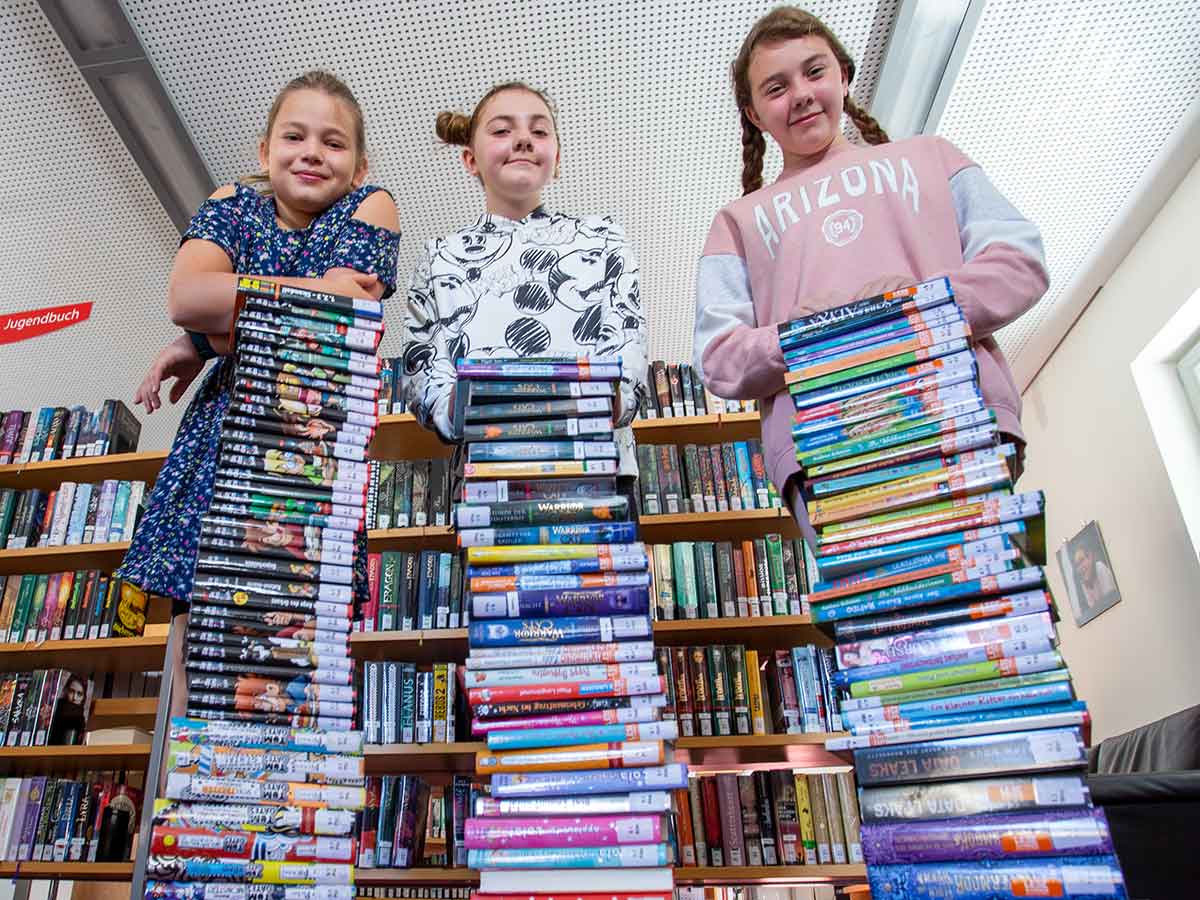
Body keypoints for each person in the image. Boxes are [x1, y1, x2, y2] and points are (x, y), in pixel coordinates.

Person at [691, 7, 1047, 542]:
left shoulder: (931, 156)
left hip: (959, 410)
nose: (802, 94)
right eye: (776, 87)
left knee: (991, 603)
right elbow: (719, 357)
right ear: (754, 113)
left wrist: (905, 310)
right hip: (824, 444)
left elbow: (1019, 262)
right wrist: (822, 338)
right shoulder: (736, 223)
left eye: (815, 72)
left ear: (844, 75)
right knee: (884, 619)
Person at [118, 70, 400, 716]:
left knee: (289, 646)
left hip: (311, 456)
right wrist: (313, 294)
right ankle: (183, 806)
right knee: (201, 643)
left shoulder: (373, 205)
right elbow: (185, 297)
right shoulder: (230, 201)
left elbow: (350, 316)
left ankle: (264, 796)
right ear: (264, 150)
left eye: (332, 143)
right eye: (293, 136)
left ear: (359, 167)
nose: (311, 152)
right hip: (222, 449)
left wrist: (213, 334)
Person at [400, 82, 648, 499]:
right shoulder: (440, 257)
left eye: (539, 131)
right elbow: (421, 366)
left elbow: (629, 346)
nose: (522, 140)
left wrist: (605, 403)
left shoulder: (604, 239)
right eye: (501, 131)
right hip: (487, 473)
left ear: (557, 157)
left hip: (597, 467)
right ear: (470, 159)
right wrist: (461, 413)